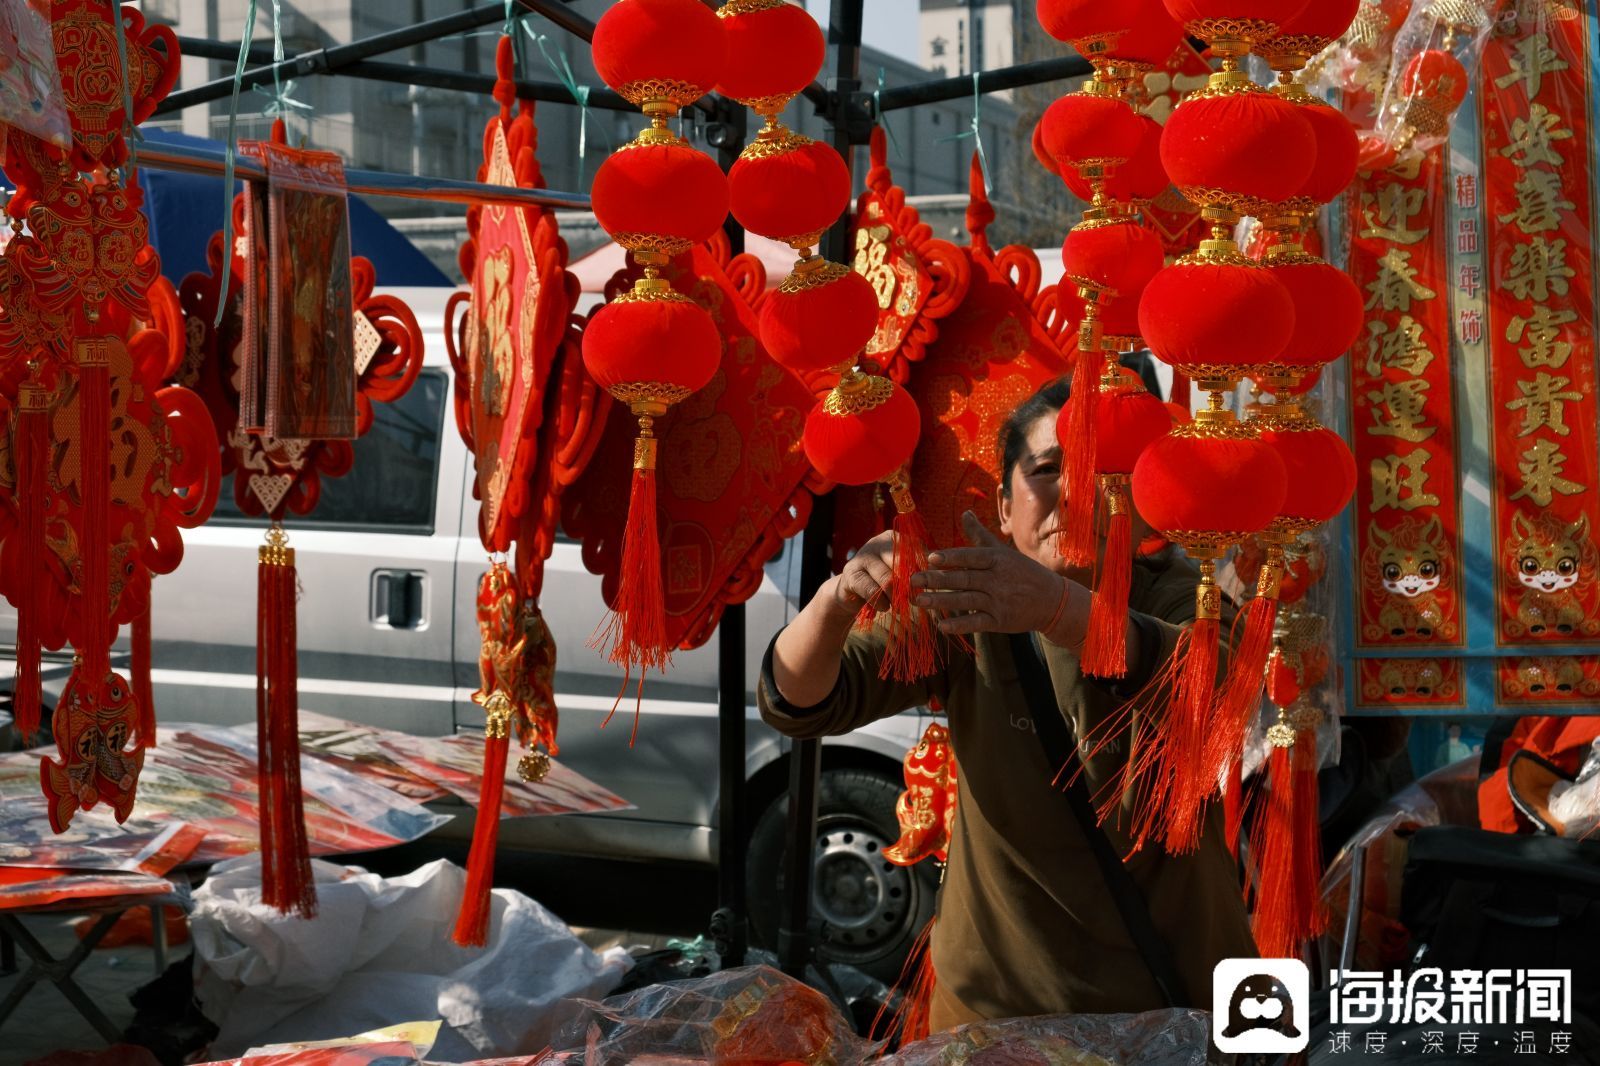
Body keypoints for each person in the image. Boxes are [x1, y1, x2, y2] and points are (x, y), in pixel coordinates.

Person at [758, 377, 1256, 1029]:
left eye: (1101, 472)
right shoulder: (967, 596)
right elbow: (802, 701)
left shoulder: (1185, 595)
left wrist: (1057, 609)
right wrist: (835, 600)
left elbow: (1222, 696)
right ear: (1002, 502)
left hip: (1170, 1006)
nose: (1073, 493)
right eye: (1047, 469)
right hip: (993, 1009)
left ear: (1140, 503)